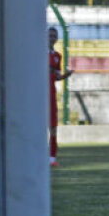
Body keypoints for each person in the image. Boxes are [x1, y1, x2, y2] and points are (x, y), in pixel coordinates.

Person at [48, 26, 74, 168]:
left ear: (56, 39)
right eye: (49, 35)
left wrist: (66, 75)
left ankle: (52, 158)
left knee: (53, 127)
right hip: (38, 94)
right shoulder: (38, 53)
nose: (51, 38)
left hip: (51, 93)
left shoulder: (57, 56)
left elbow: (56, 76)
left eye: (54, 36)